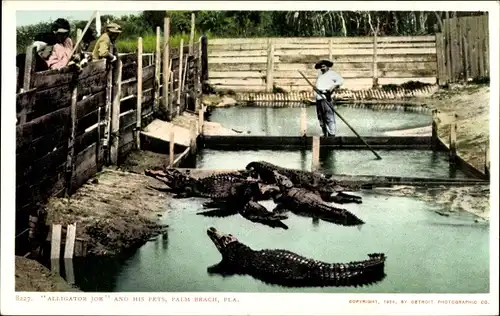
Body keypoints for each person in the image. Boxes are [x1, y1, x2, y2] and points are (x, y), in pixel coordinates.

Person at [314, 59, 344, 137]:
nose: (322, 68)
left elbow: (340, 81)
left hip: (326, 97)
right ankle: (325, 134)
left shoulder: (332, 74)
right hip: (319, 98)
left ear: (327, 66)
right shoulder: (320, 75)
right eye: (321, 67)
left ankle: (332, 134)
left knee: (329, 117)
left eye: (323, 66)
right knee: (321, 117)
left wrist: (333, 86)